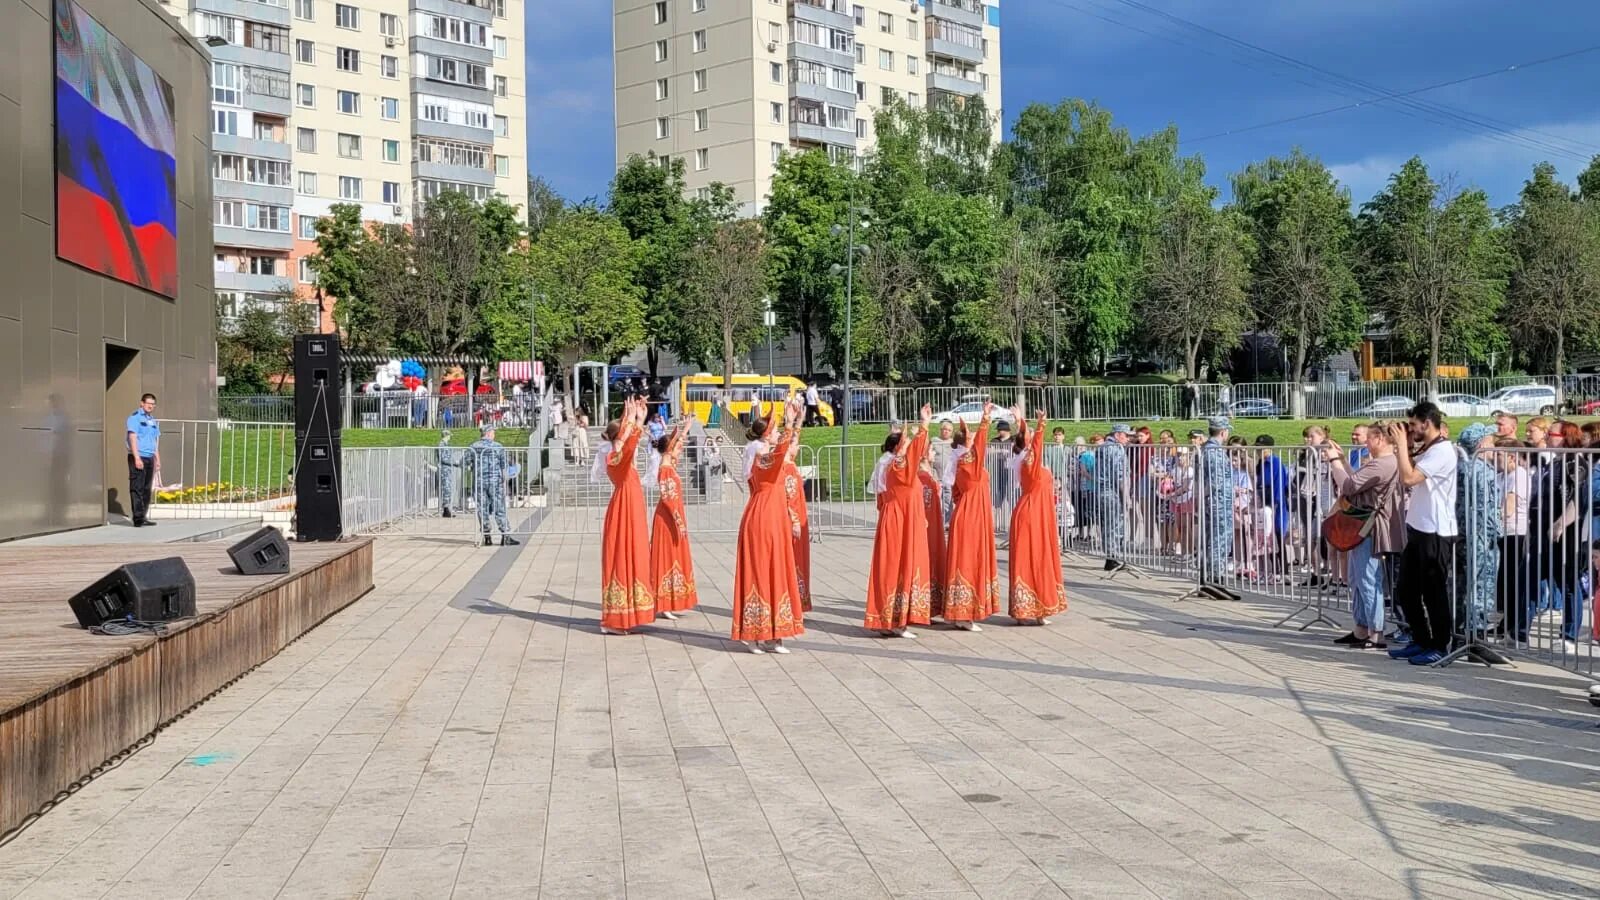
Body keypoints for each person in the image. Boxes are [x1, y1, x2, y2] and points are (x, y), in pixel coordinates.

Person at [731, 397, 807, 652]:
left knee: (779, 571)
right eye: (773, 431)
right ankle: (754, 633)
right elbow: (779, 453)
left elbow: (786, 450)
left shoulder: (770, 457)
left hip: (775, 517)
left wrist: (794, 423)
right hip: (761, 517)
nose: (777, 435)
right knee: (761, 573)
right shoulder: (761, 458)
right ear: (764, 437)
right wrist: (789, 424)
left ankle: (776, 633)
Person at [1387, 402, 1459, 666]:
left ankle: (1440, 644)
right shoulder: (1430, 449)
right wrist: (1403, 445)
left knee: (1434, 592)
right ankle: (1420, 639)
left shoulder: (1442, 451)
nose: (1412, 429)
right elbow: (1406, 468)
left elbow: (1409, 478)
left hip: (1437, 530)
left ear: (1426, 423)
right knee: (1406, 590)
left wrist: (1401, 445)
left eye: (1414, 425)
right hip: (1419, 527)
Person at [1326, 422, 1403, 649]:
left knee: (1368, 579)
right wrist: (1344, 462)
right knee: (1357, 578)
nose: (1365, 443)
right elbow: (1358, 482)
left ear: (1379, 439)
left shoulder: (1384, 463)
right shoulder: (1382, 463)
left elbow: (1349, 487)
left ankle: (1375, 631)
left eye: (1369, 438)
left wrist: (1334, 461)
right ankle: (1361, 628)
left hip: (1369, 528)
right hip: (1362, 526)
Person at [865, 404, 935, 637]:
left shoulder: (894, 465)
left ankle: (891, 620)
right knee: (899, 565)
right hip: (899, 521)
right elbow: (915, 452)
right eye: (904, 445)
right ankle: (896, 621)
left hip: (898, 518)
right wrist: (924, 425)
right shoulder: (898, 465)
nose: (909, 449)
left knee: (896, 566)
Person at [944, 404, 1000, 630]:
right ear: (967, 443)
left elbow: (955, 493)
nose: (976, 440)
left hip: (965, 511)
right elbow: (981, 443)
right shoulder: (970, 462)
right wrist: (986, 418)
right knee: (970, 560)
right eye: (972, 438)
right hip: (974, 515)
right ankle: (965, 614)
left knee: (963, 559)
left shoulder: (960, 463)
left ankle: (960, 612)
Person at [1008, 409, 1067, 625]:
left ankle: (1040, 607)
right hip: (1031, 515)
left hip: (1040, 514)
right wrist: (1041, 424)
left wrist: (1020, 421)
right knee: (1029, 560)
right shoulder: (1029, 462)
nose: (1033, 437)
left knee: (1042, 559)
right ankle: (1025, 610)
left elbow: (1029, 441)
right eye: (1029, 435)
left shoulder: (1030, 461)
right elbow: (1034, 443)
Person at [601, 397, 654, 633]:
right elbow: (630, 446)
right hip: (623, 513)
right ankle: (615, 618)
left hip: (632, 511)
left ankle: (631, 613)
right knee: (622, 557)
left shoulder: (621, 458)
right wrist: (635, 423)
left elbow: (629, 444)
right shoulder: (614, 459)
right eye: (626, 429)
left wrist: (636, 419)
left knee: (636, 556)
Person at [1455, 423, 1502, 637]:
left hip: (1460, 533)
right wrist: (1496, 533)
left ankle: (1459, 629)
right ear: (1482, 443)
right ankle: (1477, 633)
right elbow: (1487, 507)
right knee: (1482, 585)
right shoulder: (1484, 471)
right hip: (1482, 536)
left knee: (1461, 585)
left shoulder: (1460, 467)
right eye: (1491, 439)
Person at [650, 421, 697, 620]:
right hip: (668, 518)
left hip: (673, 516)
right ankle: (663, 601)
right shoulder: (665, 470)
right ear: (669, 450)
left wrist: (684, 430)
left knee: (674, 556)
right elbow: (668, 498)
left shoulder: (670, 465)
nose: (681, 449)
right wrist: (678, 521)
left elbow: (677, 442)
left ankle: (670, 600)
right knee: (666, 557)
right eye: (677, 447)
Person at [1494, 437, 1533, 644]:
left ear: (1511, 456)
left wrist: (1495, 518)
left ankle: (1515, 628)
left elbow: (1508, 506)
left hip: (1515, 533)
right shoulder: (1502, 475)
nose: (1495, 459)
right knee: (1505, 582)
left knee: (1513, 581)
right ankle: (1507, 625)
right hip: (1504, 534)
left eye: (1499, 455)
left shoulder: (1518, 475)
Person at [467, 423, 519, 547]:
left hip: (479, 482)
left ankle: (487, 536)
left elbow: (466, 462)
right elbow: (504, 465)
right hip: (495, 482)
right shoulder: (498, 447)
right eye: (493, 432)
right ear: (489, 433)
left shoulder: (473, 446)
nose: (494, 434)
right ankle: (505, 535)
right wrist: (505, 479)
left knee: (482, 509)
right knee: (499, 508)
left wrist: (474, 468)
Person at [1199, 417, 1234, 585]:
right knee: (1219, 540)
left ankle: (1208, 575)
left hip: (1213, 501)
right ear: (1223, 432)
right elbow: (1215, 482)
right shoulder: (1215, 452)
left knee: (1212, 539)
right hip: (1219, 502)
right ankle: (1214, 576)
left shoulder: (1206, 449)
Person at [1097, 424, 1133, 572]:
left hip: (1102, 490)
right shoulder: (1116, 449)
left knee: (1108, 525)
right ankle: (1113, 558)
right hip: (1112, 491)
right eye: (1126, 435)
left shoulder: (1102, 447)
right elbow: (1119, 475)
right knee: (1115, 525)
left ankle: (1110, 557)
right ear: (1118, 435)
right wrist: (1126, 497)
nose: (1128, 439)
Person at [782, 440, 812, 612]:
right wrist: (794, 520)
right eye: (795, 444)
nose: (798, 447)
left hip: (796, 516)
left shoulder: (787, 465)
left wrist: (797, 423)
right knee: (796, 558)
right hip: (795, 518)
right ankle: (795, 600)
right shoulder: (789, 468)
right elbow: (791, 496)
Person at [918, 453, 948, 619]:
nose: (935, 453)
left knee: (935, 559)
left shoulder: (929, 473)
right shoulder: (921, 477)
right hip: (927, 523)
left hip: (935, 522)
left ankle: (932, 605)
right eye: (932, 450)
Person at [125, 393, 160, 527]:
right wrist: (137, 457)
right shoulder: (134, 418)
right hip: (138, 456)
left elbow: (154, 441)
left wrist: (157, 459)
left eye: (153, 404)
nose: (150, 406)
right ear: (142, 403)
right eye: (148, 403)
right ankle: (138, 518)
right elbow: (132, 438)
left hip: (149, 457)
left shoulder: (152, 420)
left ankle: (143, 515)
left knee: (146, 488)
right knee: (137, 487)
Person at [437, 430, 459, 517]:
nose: (450, 437)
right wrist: (454, 462)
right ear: (446, 435)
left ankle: (447, 508)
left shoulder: (446, 445)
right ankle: (446, 509)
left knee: (448, 489)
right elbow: (443, 458)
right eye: (449, 435)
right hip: (444, 469)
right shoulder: (441, 445)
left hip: (448, 469)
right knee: (446, 489)